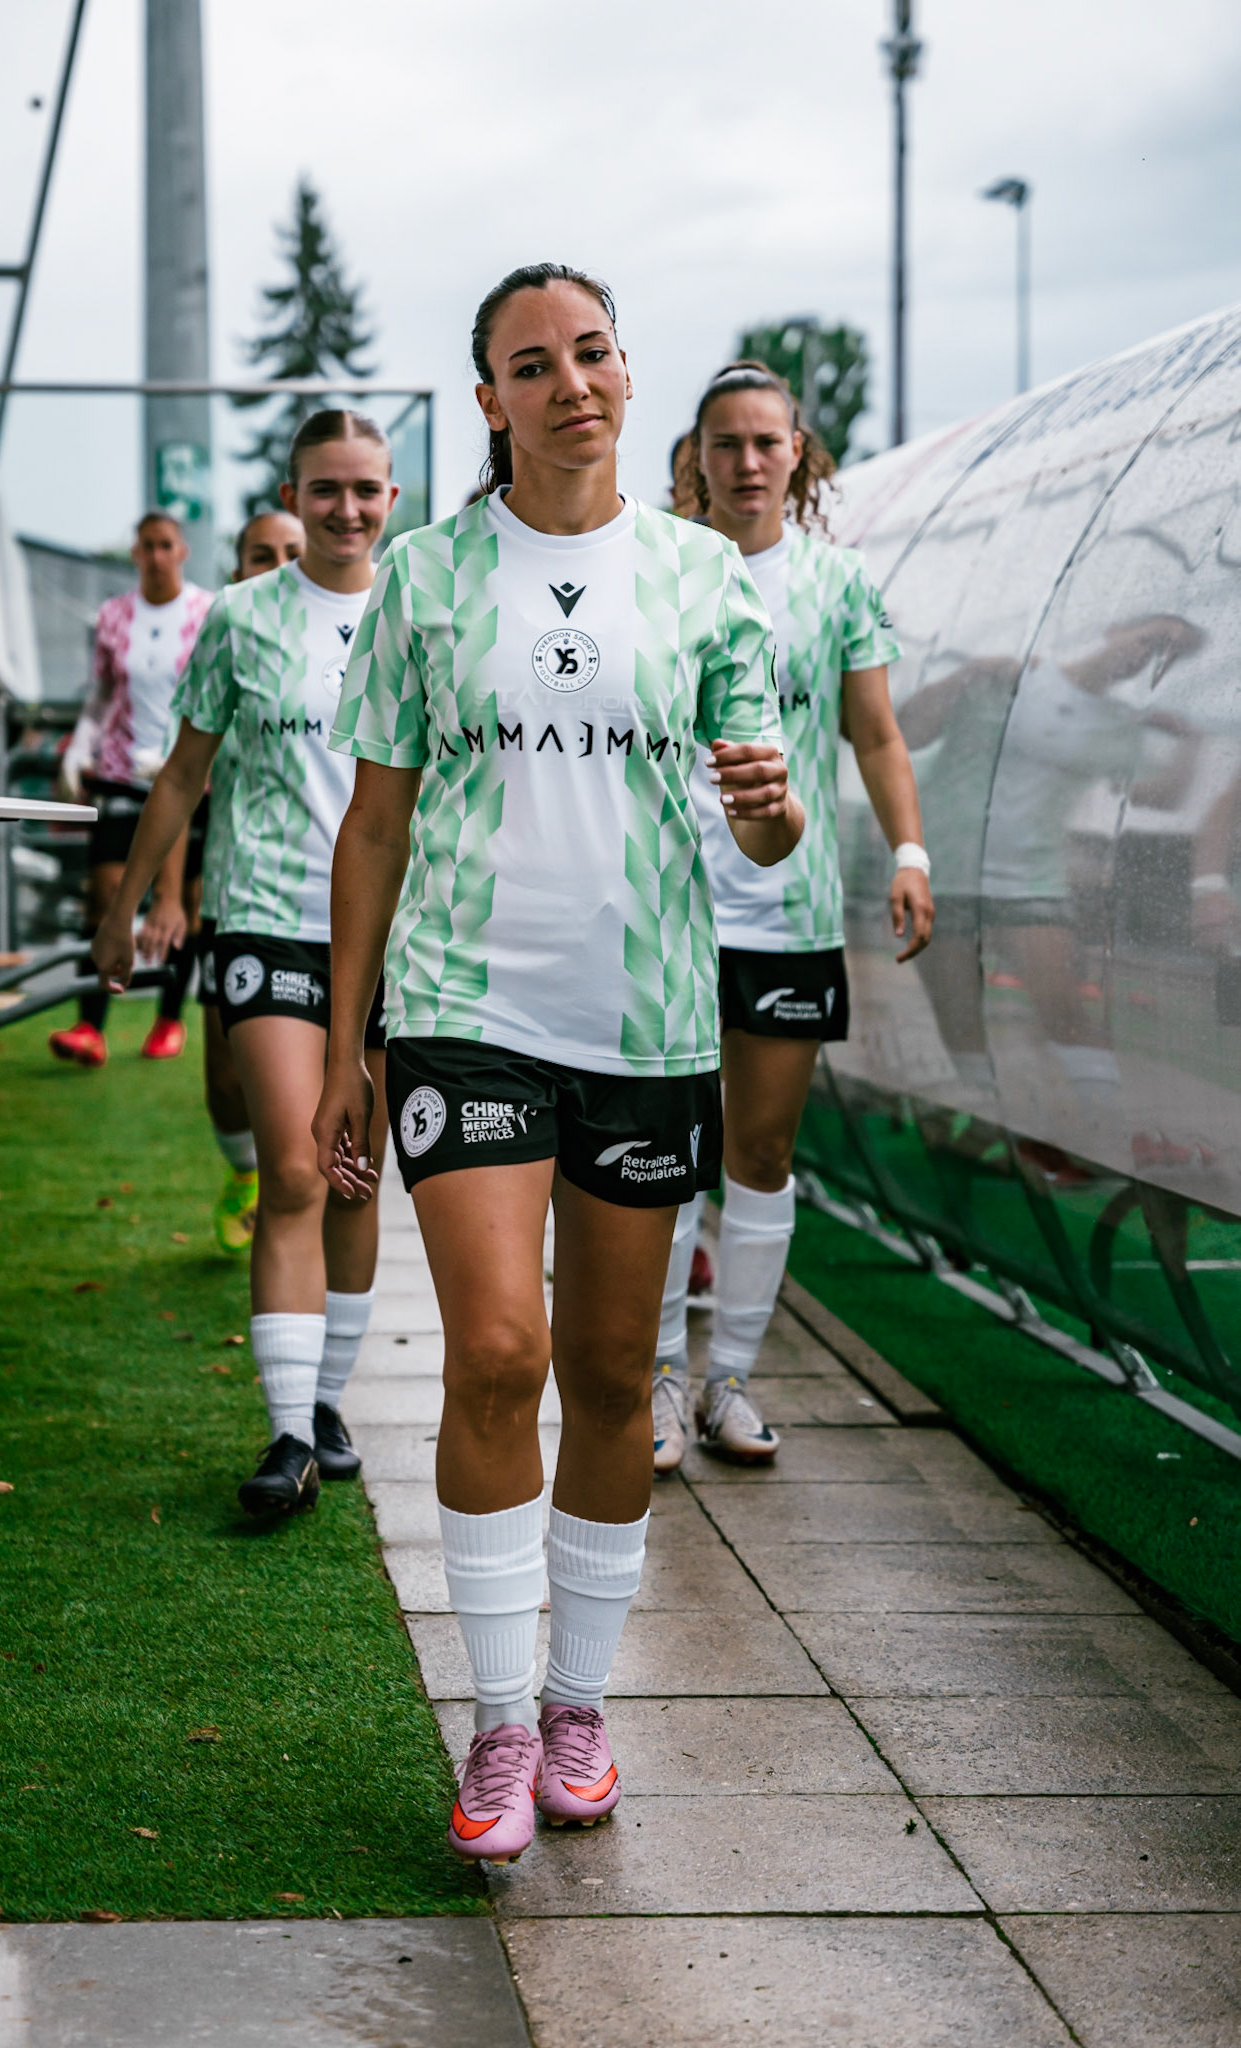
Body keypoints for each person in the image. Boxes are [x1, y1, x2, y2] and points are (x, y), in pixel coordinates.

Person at [313, 266, 802, 1865]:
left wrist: (770, 808)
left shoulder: (704, 580)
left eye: (592, 353)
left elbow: (767, 817)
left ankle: (585, 1704)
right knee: (500, 1354)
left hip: (649, 1020)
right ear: (491, 401)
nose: (572, 383)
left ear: (622, 372)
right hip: (464, 1005)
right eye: (535, 364)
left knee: (606, 1376)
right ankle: (502, 1721)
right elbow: (372, 821)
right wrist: (347, 1043)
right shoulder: (430, 578)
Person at [91, 413, 400, 1509]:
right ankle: (285, 1436)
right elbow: (181, 775)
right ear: (294, 492)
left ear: (393, 497)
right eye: (326, 490)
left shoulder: (426, 616)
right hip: (267, 916)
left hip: (394, 936)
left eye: (366, 489)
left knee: (358, 1183)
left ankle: (325, 1398)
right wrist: (127, 906)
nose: (346, 509)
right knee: (299, 1167)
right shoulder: (241, 619)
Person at [653, 362, 933, 1472]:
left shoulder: (838, 582)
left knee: (759, 1154)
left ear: (799, 455)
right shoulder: (663, 574)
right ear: (699, 460)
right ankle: (660, 1380)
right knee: (668, 1156)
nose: (748, 462)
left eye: (769, 443)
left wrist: (910, 850)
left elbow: (875, 733)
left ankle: (730, 1381)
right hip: (668, 912)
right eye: (726, 443)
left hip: (789, 913)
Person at [144, 509, 308, 1257]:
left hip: (339, 908)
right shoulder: (233, 640)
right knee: (224, 1080)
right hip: (241, 892)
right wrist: (169, 898)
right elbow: (186, 782)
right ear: (238, 567)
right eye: (259, 554)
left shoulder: (351, 640)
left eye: (289, 552)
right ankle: (244, 1173)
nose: (276, 566)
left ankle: (289, 1200)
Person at [52, 511, 213, 1067]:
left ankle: (168, 1018)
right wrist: (79, 747)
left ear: (183, 551)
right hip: (123, 772)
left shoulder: (206, 612)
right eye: (146, 546)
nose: (156, 555)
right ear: (135, 553)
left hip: (192, 777)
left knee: (186, 905)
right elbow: (100, 694)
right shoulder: (113, 616)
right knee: (106, 894)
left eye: (166, 544)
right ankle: (89, 1024)